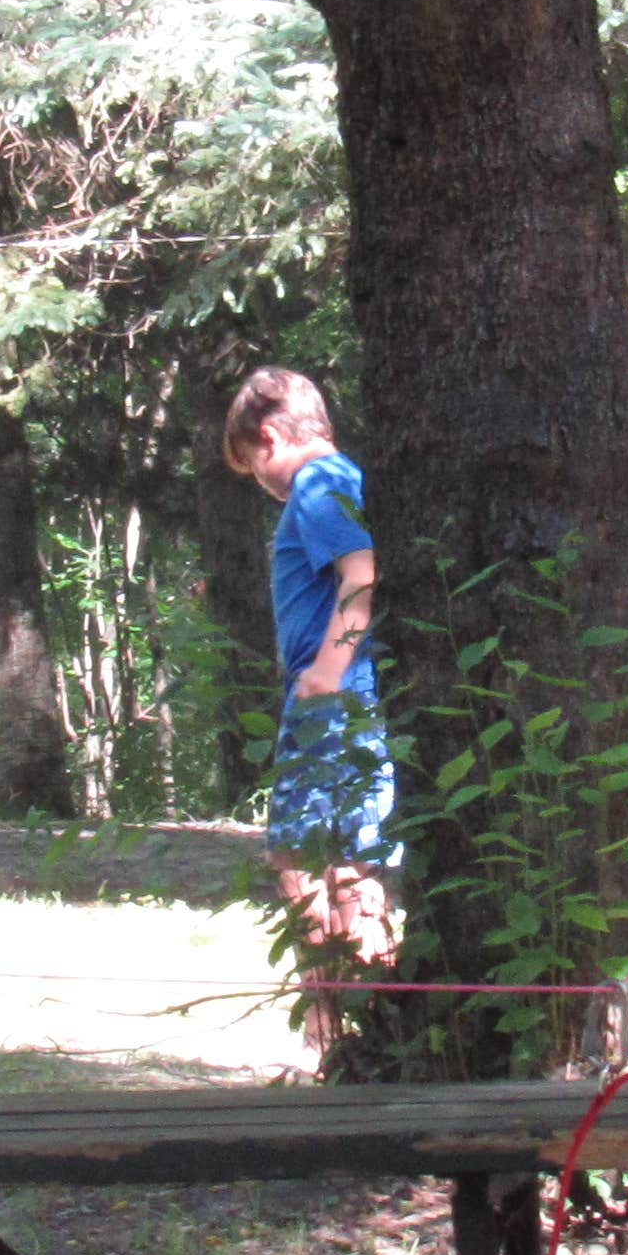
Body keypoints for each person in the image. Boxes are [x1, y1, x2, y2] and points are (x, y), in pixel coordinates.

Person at [221, 367, 399, 1012]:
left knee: (317, 863)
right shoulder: (339, 480)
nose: (261, 485)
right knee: (325, 860)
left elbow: (362, 572)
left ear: (269, 437)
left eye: (251, 465)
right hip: (338, 695)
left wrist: (328, 669)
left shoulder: (319, 482)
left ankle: (345, 1026)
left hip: (337, 698)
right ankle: (356, 1028)